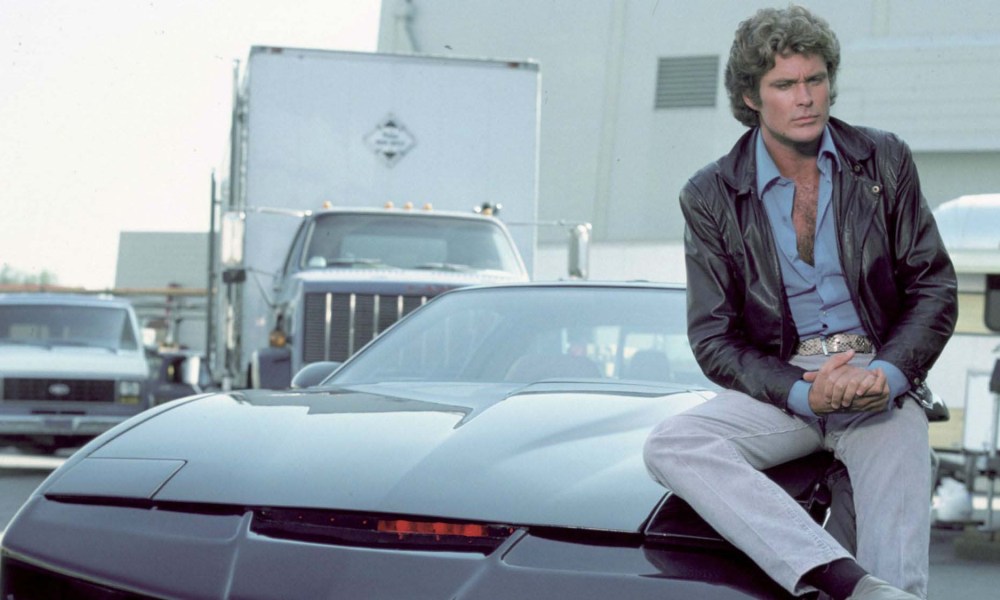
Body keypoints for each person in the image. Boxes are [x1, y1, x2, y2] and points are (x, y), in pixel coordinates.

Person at [642, 5, 957, 600]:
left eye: (815, 79)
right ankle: (838, 579)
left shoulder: (883, 160)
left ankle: (888, 592)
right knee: (673, 443)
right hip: (784, 389)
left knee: (900, 557)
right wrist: (801, 390)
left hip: (877, 384)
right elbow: (713, 337)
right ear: (751, 97)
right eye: (785, 85)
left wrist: (888, 374)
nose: (806, 97)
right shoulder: (711, 194)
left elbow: (934, 288)